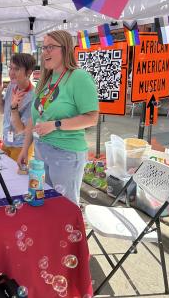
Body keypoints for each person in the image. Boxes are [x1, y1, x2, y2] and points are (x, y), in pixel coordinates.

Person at [17, 30, 99, 206]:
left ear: (65, 49)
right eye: (44, 47)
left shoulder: (78, 77)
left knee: (65, 208)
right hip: (40, 151)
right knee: (45, 204)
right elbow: (34, 118)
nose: (45, 51)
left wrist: (55, 125)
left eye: (51, 47)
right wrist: (25, 149)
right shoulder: (44, 80)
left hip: (66, 154)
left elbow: (91, 118)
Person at [0, 53, 36, 162]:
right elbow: (2, 110)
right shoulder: (12, 86)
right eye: (10, 68)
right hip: (6, 140)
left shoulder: (33, 97)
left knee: (15, 177)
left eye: (17, 69)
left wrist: (14, 107)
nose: (11, 73)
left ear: (29, 72)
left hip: (21, 146)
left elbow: (21, 129)